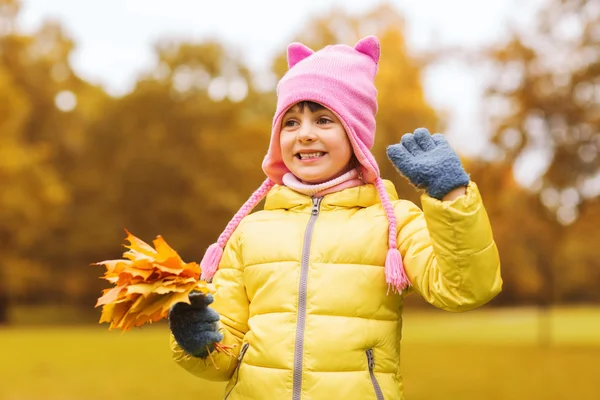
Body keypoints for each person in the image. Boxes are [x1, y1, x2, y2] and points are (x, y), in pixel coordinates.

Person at [168, 35, 502, 400]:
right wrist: (200, 342)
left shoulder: (393, 224)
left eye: (324, 120)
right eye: (291, 122)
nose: (305, 134)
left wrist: (450, 195)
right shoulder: (251, 231)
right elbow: (224, 359)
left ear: (356, 134)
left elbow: (465, 289)